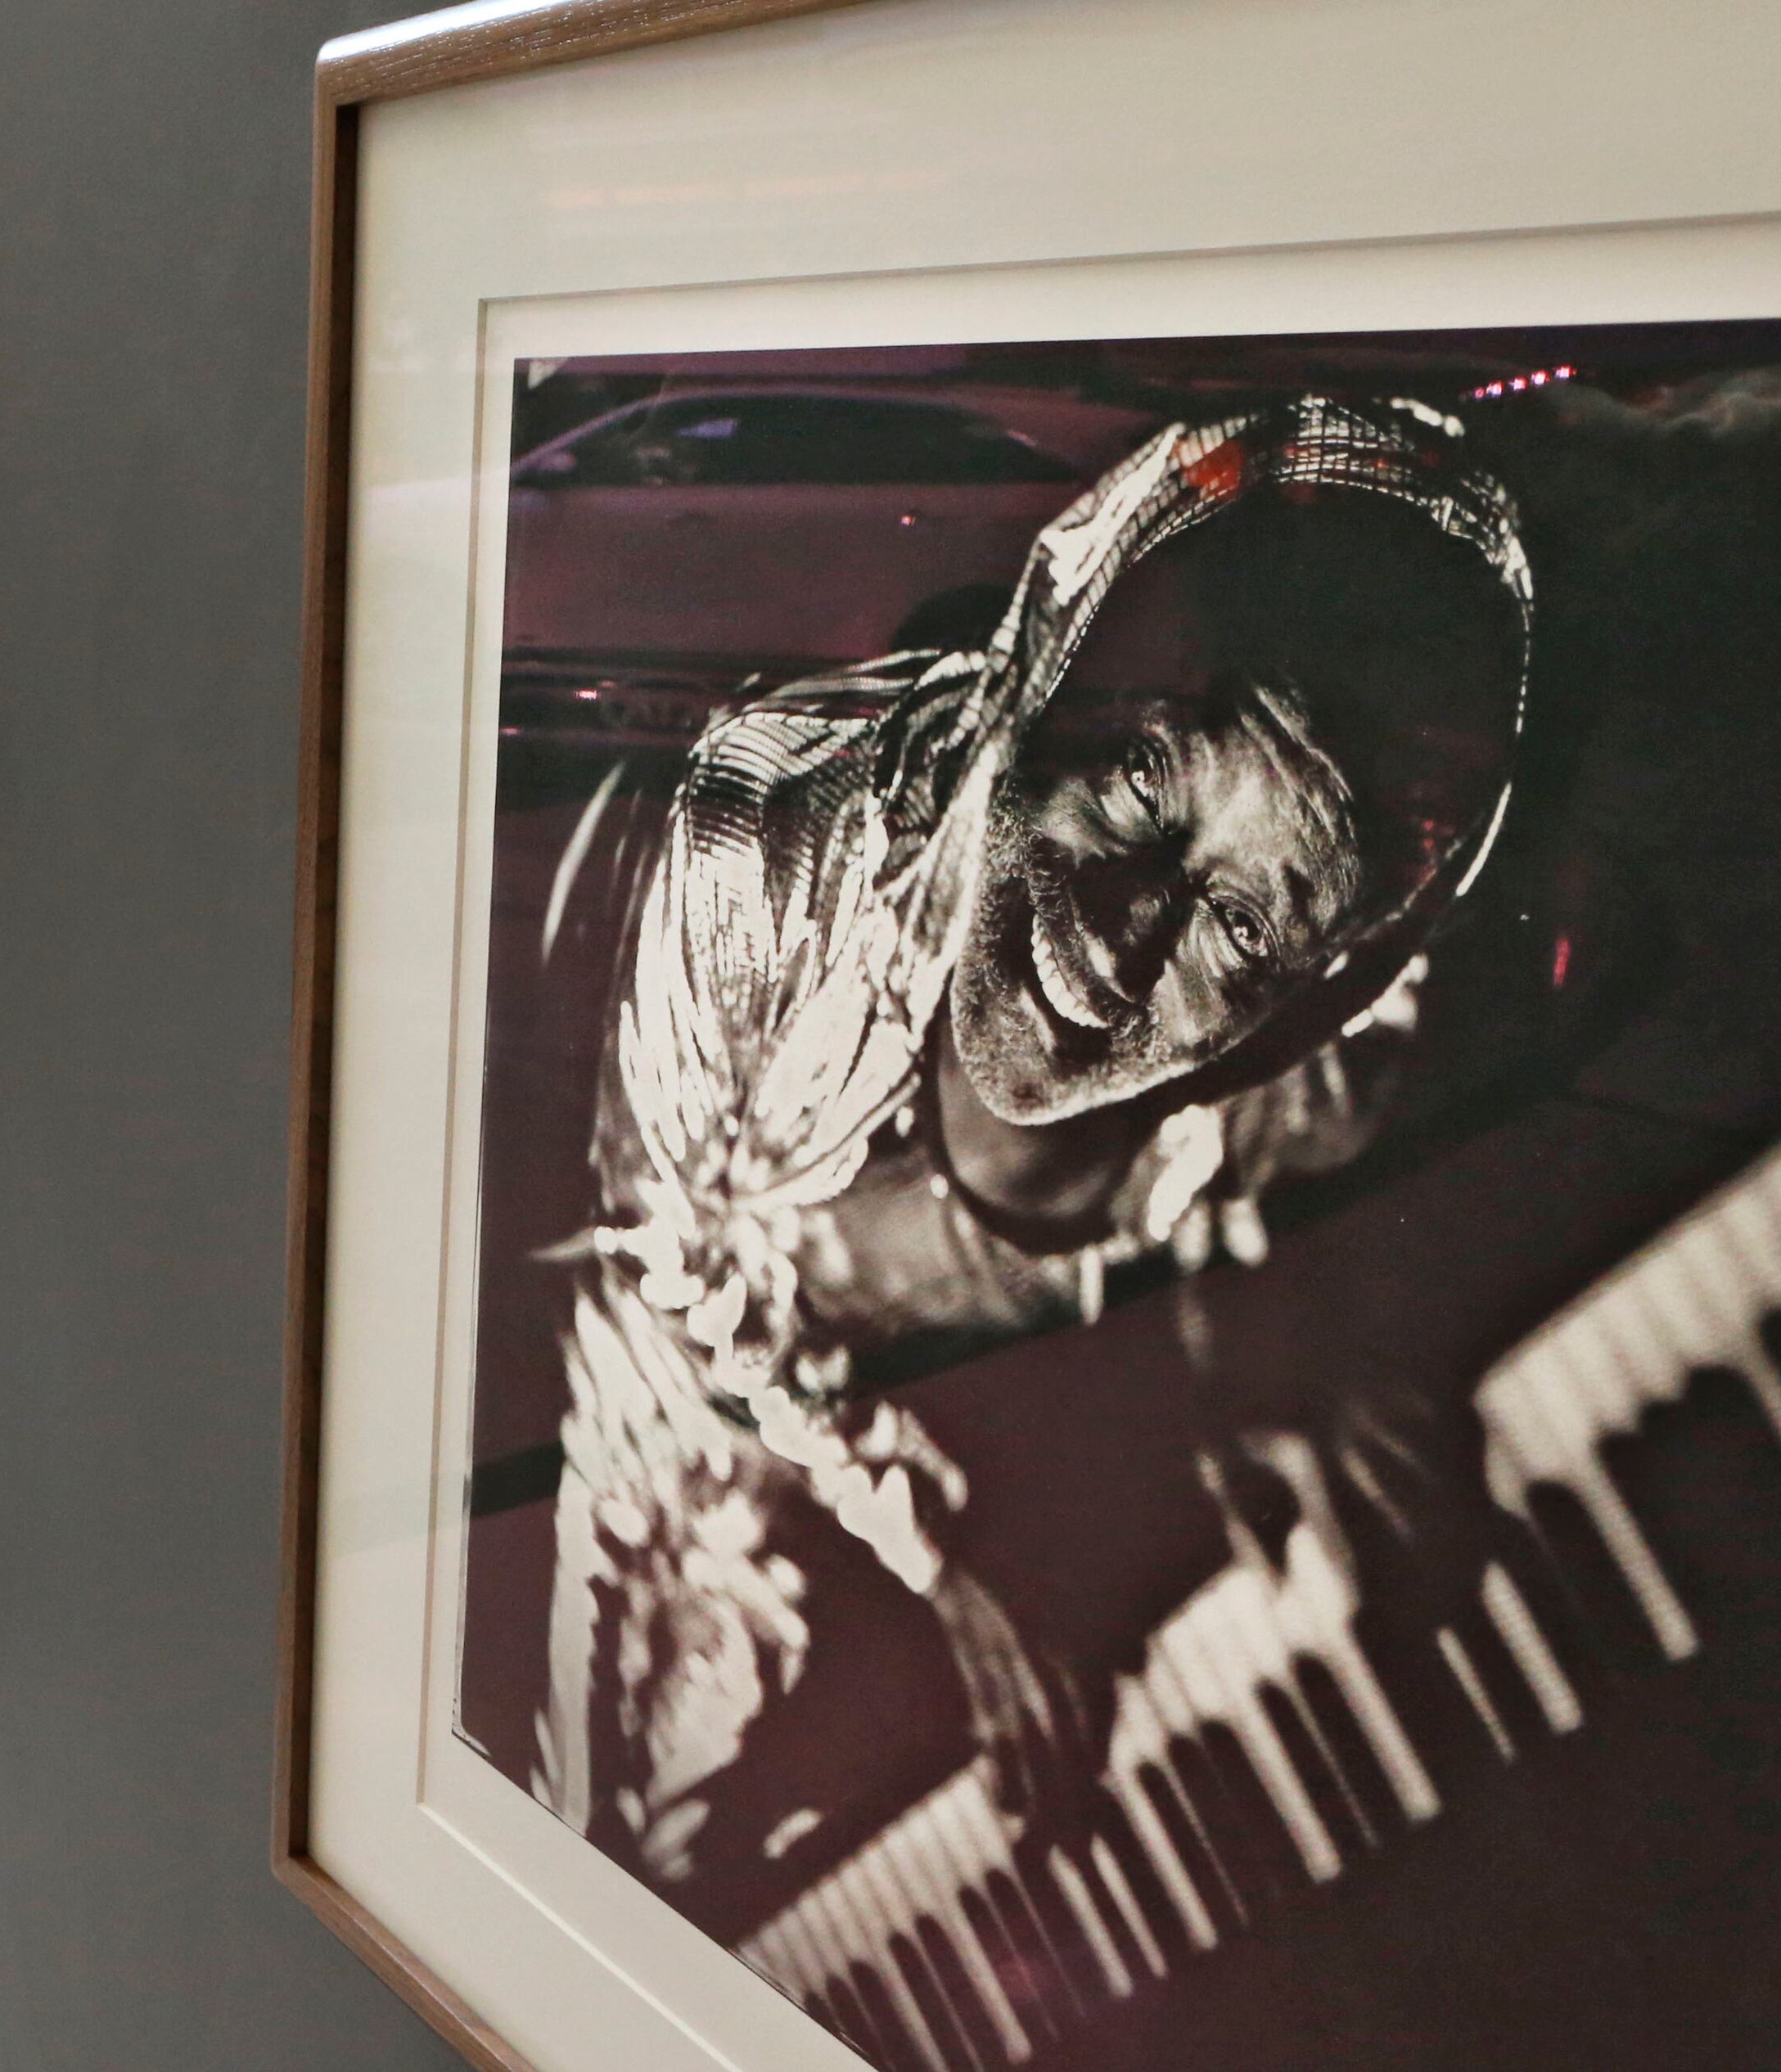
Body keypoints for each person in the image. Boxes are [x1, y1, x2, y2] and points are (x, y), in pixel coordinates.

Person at [535, 396, 1532, 1883]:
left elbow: (1306, 1148)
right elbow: (657, 1257)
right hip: (710, 1382)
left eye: (1244, 922)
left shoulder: (1331, 1036)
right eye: (1141, 782)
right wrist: (932, 1544)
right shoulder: (762, 847)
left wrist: (1284, 1328)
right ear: (1044, 684)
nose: (1123, 945)